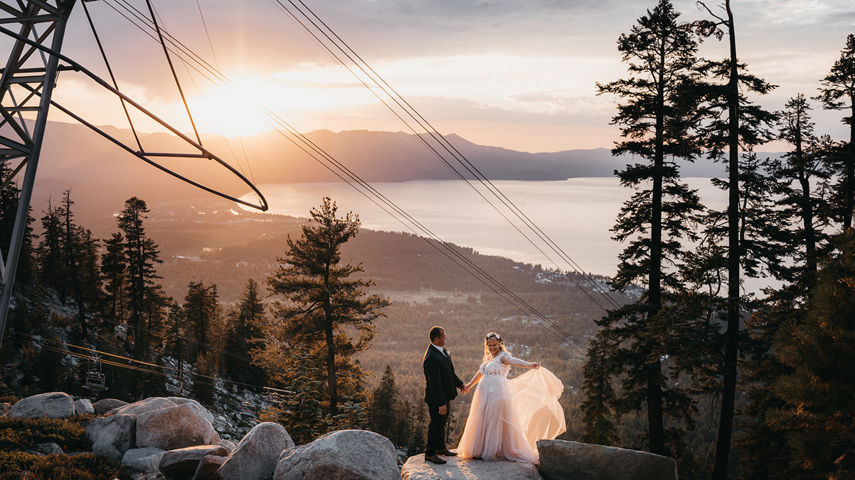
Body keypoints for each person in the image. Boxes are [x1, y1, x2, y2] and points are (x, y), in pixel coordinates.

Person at [456, 331, 566, 464]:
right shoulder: (489, 357)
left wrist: (529, 364)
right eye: (490, 345)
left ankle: (492, 450)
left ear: (500, 344)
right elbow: (481, 373)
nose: (492, 347)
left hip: (497, 392)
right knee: (482, 418)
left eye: (494, 345)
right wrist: (469, 385)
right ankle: (479, 449)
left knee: (494, 420)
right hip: (483, 393)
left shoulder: (503, 356)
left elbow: (514, 361)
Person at [423, 325, 465, 465]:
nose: (445, 337)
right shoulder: (431, 357)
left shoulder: (443, 351)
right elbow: (434, 383)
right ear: (436, 338)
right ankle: (430, 453)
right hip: (436, 398)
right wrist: (441, 403)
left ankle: (440, 448)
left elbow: (449, 372)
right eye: (443, 335)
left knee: (442, 423)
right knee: (435, 424)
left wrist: (460, 384)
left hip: (445, 395)